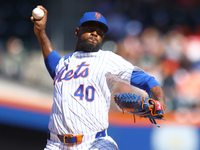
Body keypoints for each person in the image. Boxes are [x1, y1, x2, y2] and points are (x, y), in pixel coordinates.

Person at [31, 5, 166, 150]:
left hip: (94, 143)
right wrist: (41, 32)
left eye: (99, 32)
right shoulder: (64, 63)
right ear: (77, 32)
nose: (95, 33)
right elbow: (53, 64)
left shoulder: (107, 59)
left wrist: (160, 102)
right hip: (55, 144)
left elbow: (147, 80)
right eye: (90, 29)